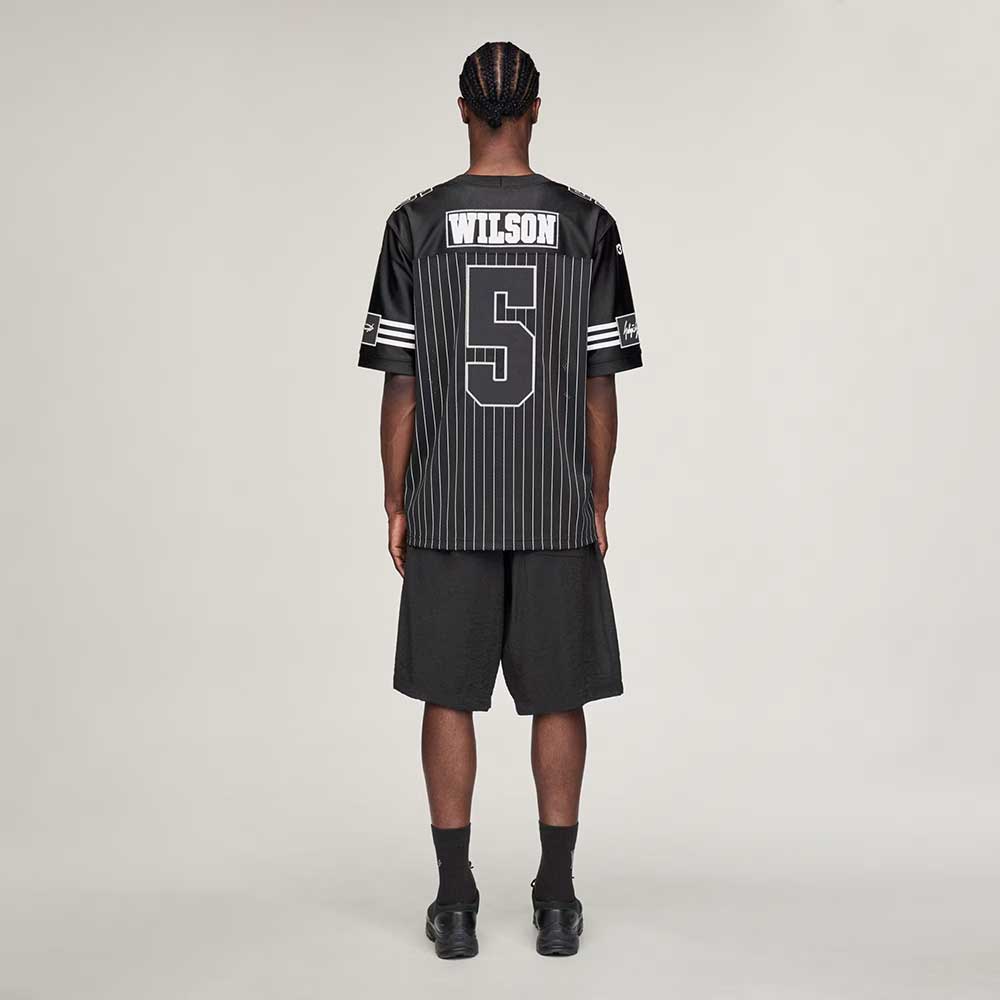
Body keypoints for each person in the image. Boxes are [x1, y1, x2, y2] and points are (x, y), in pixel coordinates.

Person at [357, 41, 642, 958]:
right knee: (560, 695)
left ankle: (454, 902)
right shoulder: (587, 224)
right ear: (537, 108)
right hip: (554, 498)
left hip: (449, 496)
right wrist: (597, 495)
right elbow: (599, 385)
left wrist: (395, 496)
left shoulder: (415, 224)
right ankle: (556, 898)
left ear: (461, 108)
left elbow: (401, 384)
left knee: (449, 694)